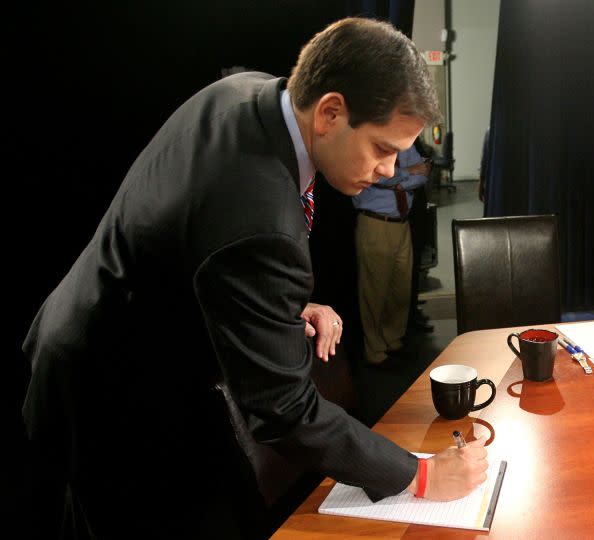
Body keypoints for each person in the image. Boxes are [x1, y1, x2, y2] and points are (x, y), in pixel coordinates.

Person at [21, 18, 487, 539]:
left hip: (93, 327)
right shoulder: (259, 217)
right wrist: (420, 473)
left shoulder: (246, 94)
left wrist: (275, 306)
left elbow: (204, 248)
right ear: (331, 112)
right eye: (382, 147)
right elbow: (284, 410)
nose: (390, 168)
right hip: (113, 388)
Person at [353, 146, 430, 367]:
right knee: (374, 293)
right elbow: (374, 173)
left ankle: (392, 341)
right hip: (376, 223)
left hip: (401, 224)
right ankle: (375, 351)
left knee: (401, 290)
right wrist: (408, 172)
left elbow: (422, 174)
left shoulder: (404, 143)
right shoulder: (369, 139)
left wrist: (398, 179)